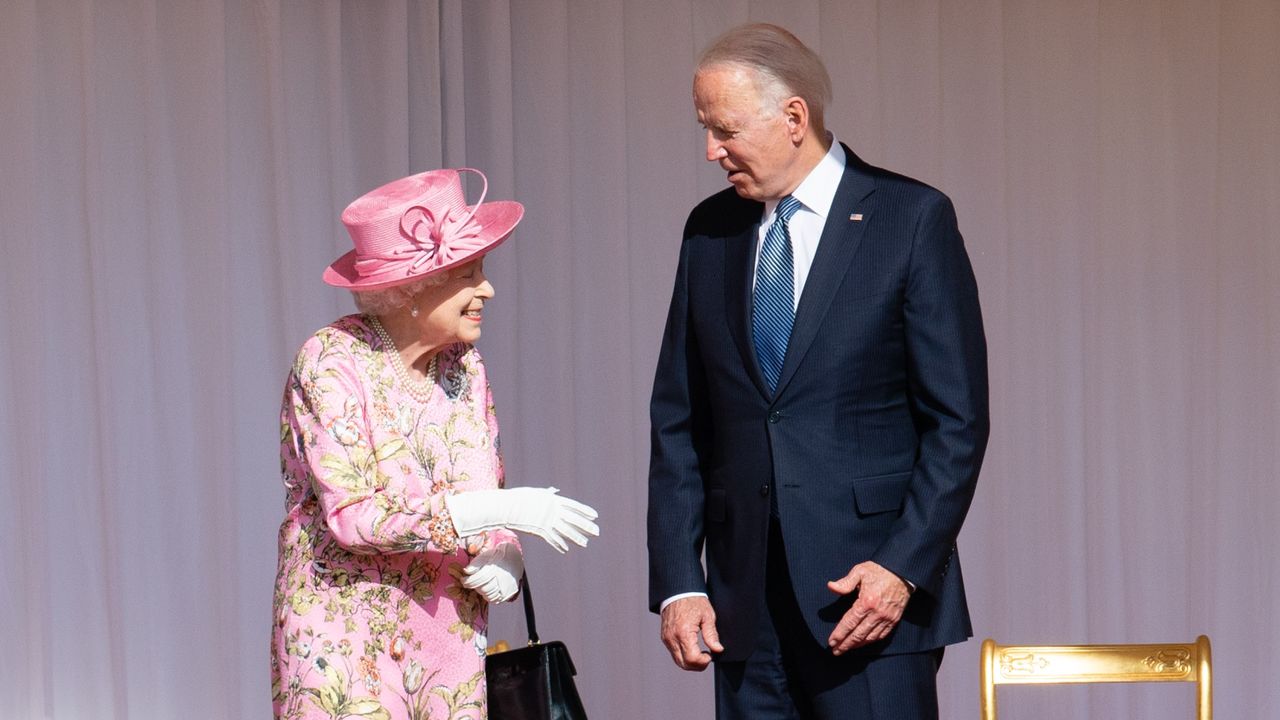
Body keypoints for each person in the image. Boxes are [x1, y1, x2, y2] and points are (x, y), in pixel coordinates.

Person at [648, 24, 989, 719]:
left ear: (794, 117)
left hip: (867, 603)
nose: (711, 150)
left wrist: (901, 567)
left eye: (725, 129)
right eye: (705, 128)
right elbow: (679, 421)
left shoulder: (911, 219)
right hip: (745, 612)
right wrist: (681, 580)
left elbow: (957, 422)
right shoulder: (708, 232)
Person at [272, 168, 599, 720]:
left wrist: (504, 553)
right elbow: (356, 517)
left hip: (445, 638)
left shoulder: (464, 367)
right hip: (345, 642)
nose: (488, 289)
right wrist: (503, 508)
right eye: (469, 274)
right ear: (410, 290)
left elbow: (480, 486)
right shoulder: (331, 359)